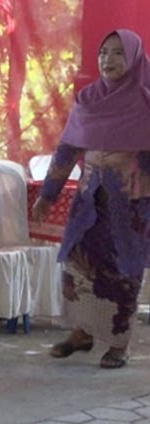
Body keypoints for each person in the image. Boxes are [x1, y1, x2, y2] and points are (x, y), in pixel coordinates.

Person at [34, 29, 150, 369]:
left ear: (134, 59)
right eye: (103, 52)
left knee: (123, 273)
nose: (108, 59)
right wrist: (48, 195)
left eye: (118, 53)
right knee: (77, 266)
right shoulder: (87, 100)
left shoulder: (145, 103)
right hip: (88, 204)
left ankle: (118, 344)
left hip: (131, 205)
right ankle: (81, 333)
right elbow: (67, 150)